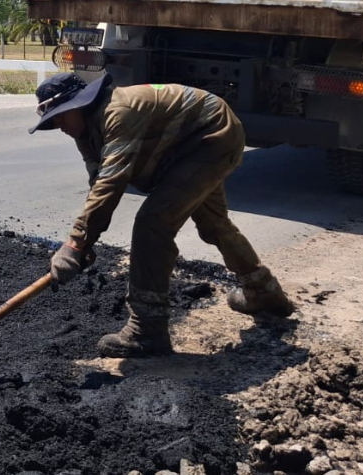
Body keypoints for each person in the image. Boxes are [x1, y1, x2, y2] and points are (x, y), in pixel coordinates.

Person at [30, 72, 293, 358]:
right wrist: (83, 245)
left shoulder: (119, 114)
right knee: (213, 223)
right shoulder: (86, 131)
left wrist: (74, 245)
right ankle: (264, 292)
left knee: (152, 225)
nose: (57, 125)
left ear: (78, 105)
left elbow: (111, 183)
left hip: (211, 134)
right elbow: (98, 180)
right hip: (181, 146)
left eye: (59, 117)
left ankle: (148, 328)